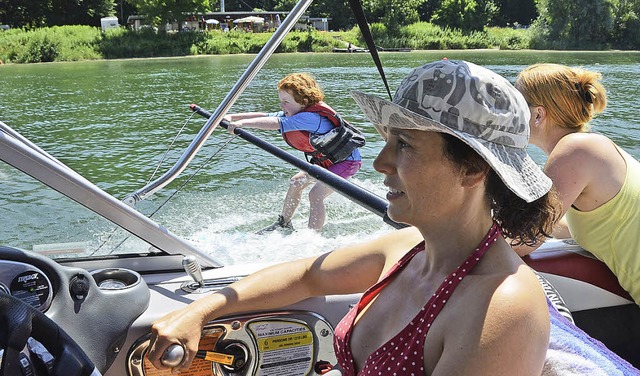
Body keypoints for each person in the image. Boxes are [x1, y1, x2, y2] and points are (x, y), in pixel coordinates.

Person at [147, 60, 637, 375]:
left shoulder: (500, 306)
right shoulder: (408, 250)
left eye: (404, 145)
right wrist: (200, 311)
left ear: (472, 168)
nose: (380, 163)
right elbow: (306, 274)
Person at [514, 63, 640, 304]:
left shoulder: (575, 150)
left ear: (538, 114)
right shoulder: (591, 146)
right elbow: (563, 225)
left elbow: (525, 239)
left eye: (515, 105)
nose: (509, 114)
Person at [223, 73, 363, 233]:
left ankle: (312, 237)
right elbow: (265, 116)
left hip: (346, 162)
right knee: (296, 182)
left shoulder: (311, 118)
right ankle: (284, 222)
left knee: (315, 194)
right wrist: (231, 116)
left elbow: (275, 123)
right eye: (281, 101)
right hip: (327, 161)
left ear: (303, 102)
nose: (282, 106)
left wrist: (242, 124)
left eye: (286, 102)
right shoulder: (295, 111)